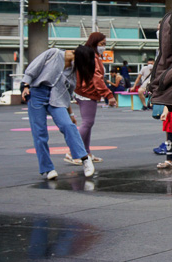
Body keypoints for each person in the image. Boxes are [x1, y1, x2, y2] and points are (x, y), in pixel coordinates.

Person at [21, 47, 97, 180]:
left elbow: (67, 94)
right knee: (39, 133)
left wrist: (71, 115)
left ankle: (85, 159)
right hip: (37, 94)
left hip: (57, 99)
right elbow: (32, 68)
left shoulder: (73, 70)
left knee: (68, 125)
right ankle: (47, 169)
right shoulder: (53, 54)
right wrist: (25, 86)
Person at [70, 32, 117, 165]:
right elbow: (97, 79)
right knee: (87, 123)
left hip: (82, 92)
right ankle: (73, 151)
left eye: (105, 44)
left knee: (88, 123)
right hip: (88, 93)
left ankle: (86, 152)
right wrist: (109, 95)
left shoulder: (87, 55)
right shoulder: (93, 57)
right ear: (94, 43)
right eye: (102, 44)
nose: (104, 47)